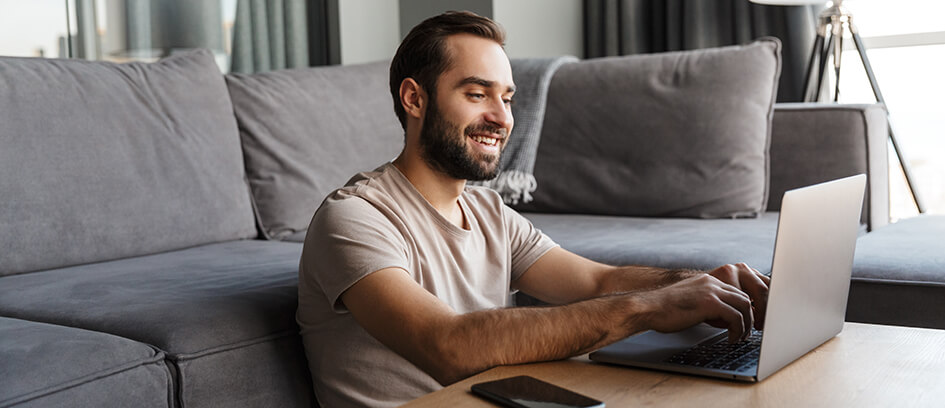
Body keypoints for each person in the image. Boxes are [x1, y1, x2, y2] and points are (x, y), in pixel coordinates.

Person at [296, 11, 770, 408]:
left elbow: (594, 281)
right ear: (414, 98)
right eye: (477, 94)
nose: (502, 118)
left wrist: (700, 283)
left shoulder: (488, 212)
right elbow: (447, 346)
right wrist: (649, 307)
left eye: (506, 98)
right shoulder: (356, 218)